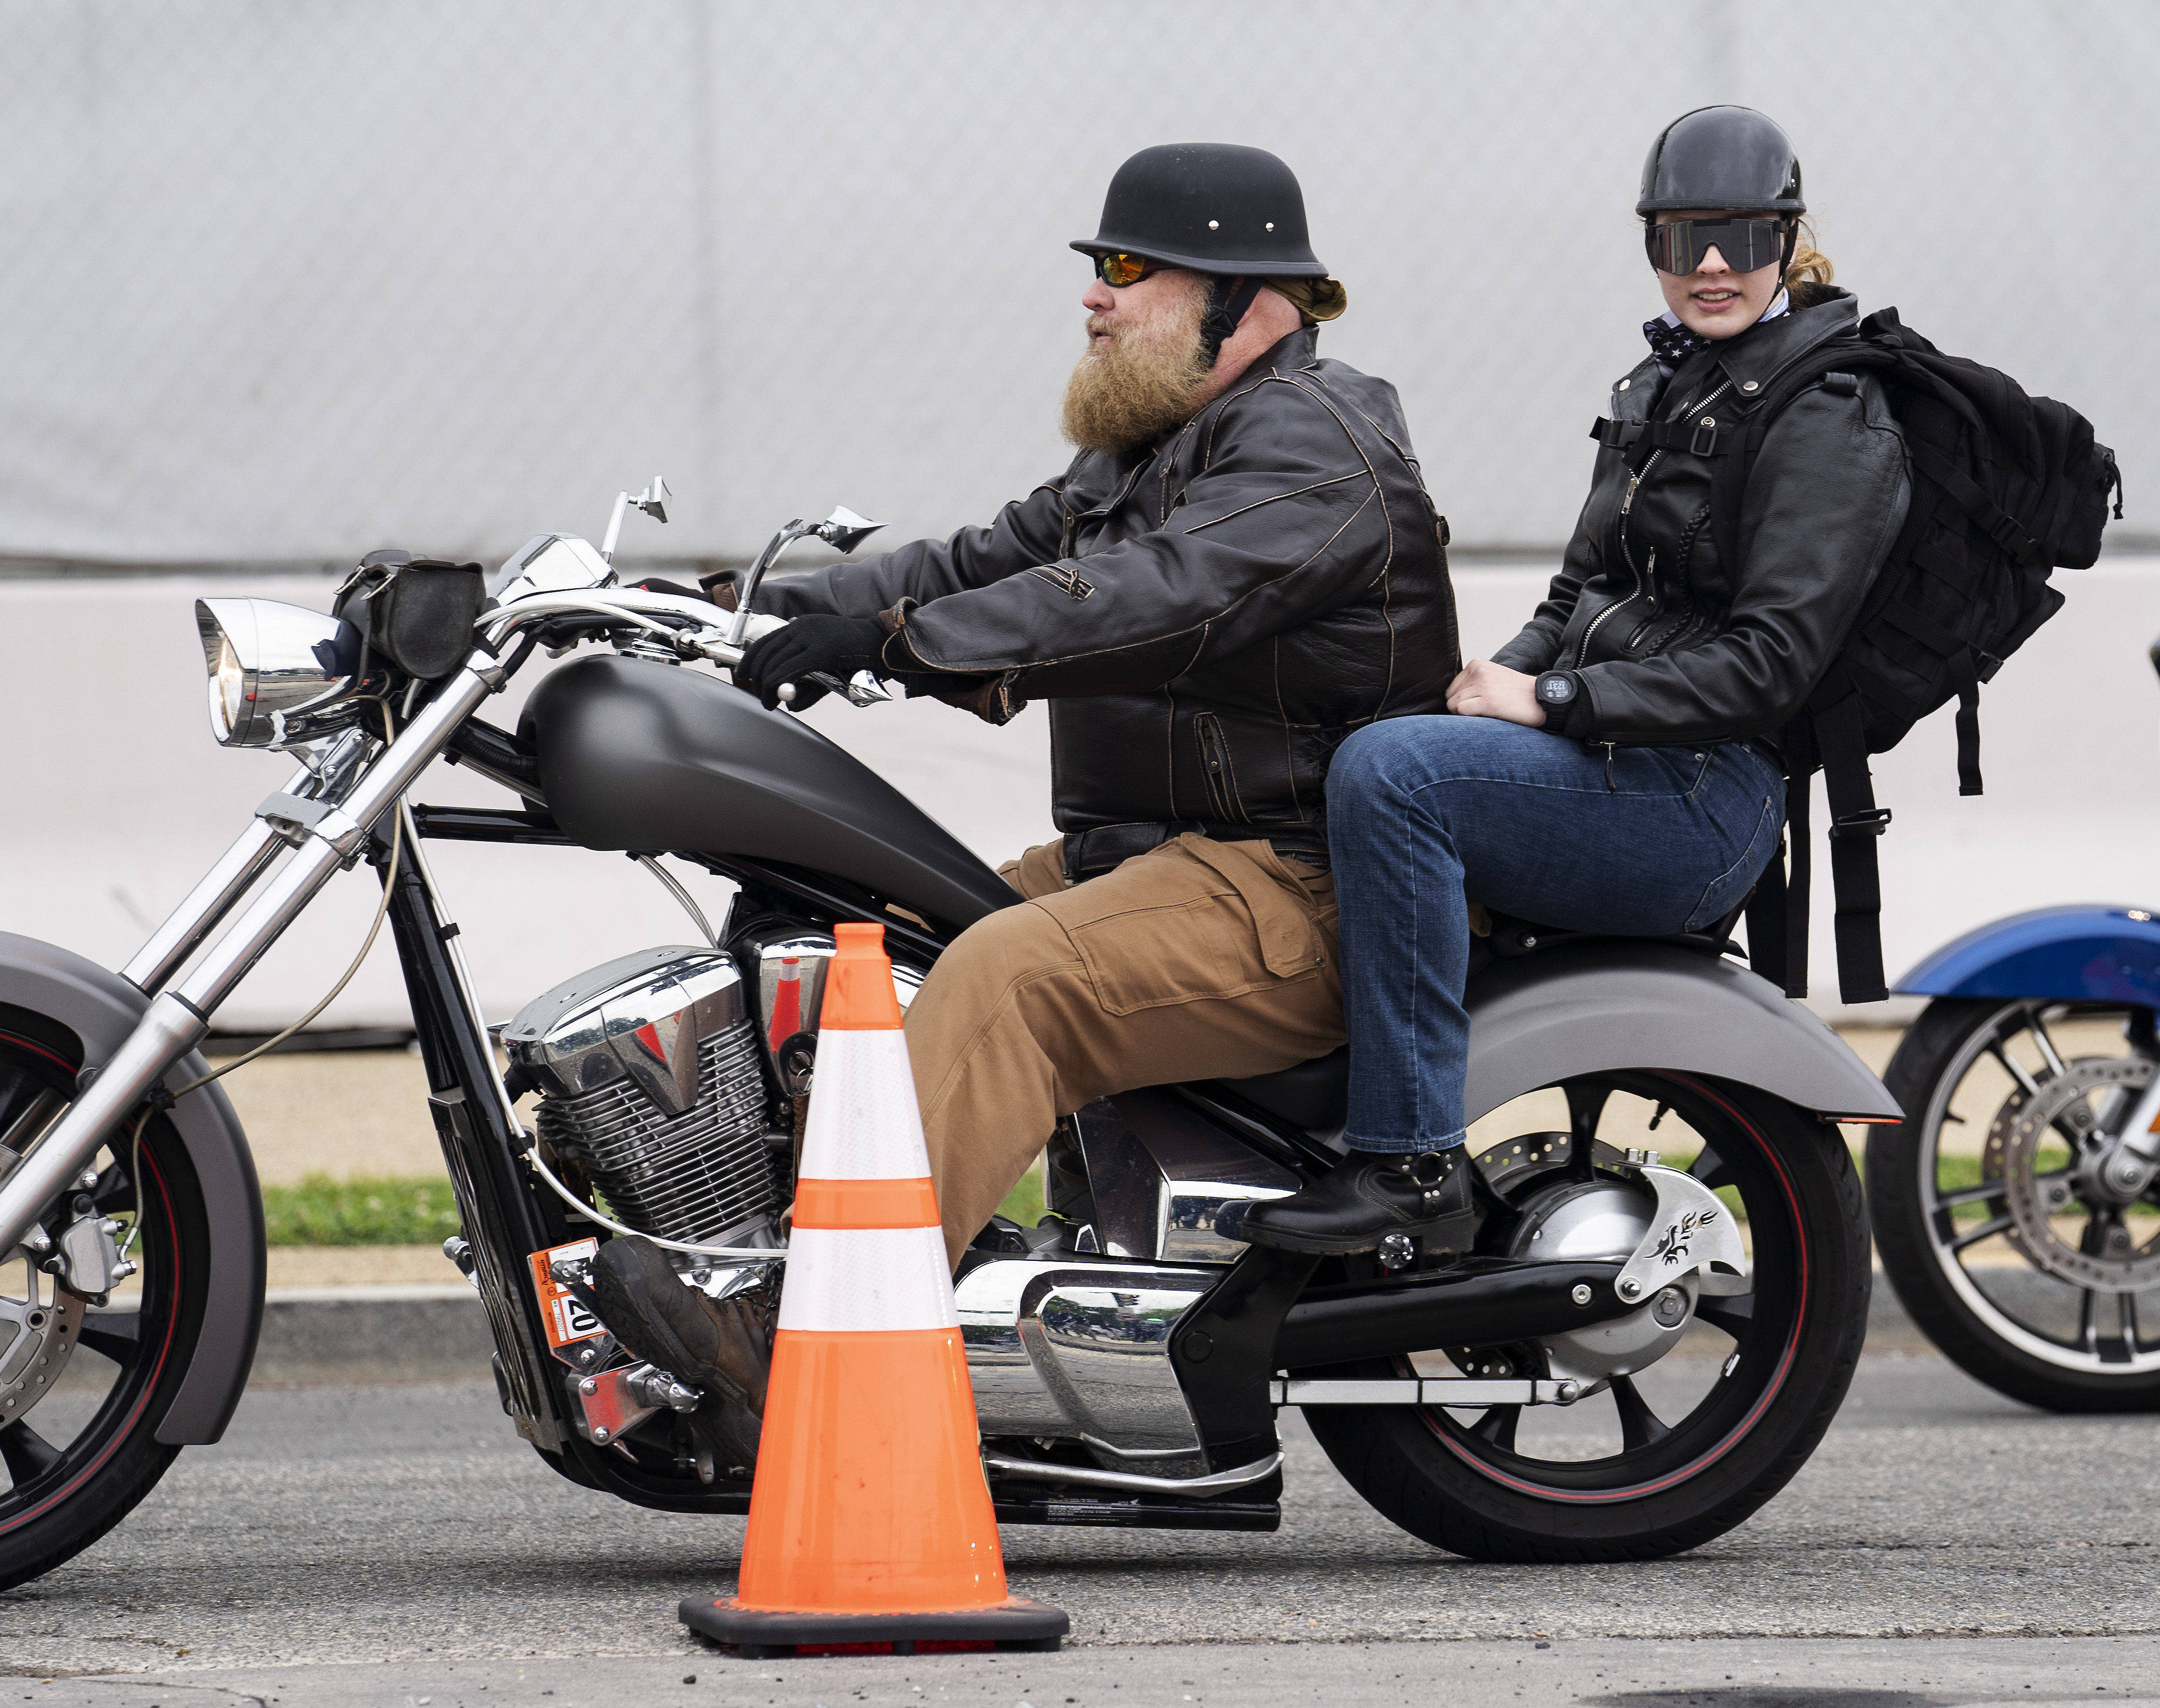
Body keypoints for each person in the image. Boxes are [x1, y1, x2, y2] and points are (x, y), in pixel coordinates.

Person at [588, 143, 1455, 1454]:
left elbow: (1147, 593)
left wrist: (891, 645)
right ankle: (763, 1250)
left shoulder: (1314, 452)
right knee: (858, 926)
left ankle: (821, 1353)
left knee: (1002, 979)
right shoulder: (1152, 450)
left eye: (1124, 269)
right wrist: (716, 608)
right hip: (1148, 865)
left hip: (1291, 885)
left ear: (1241, 296)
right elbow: (974, 560)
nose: (1095, 298)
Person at [1246, 105, 1913, 1259]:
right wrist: (1491, 680)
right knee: (1372, 738)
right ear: (1651, 239)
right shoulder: (1668, 386)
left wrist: (1553, 704)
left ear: (1789, 234)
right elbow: (1578, 592)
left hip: (1702, 801)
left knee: (1394, 777)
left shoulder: (1831, 413)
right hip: (1609, 763)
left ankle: (1406, 1161)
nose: (1711, 263)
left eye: (1743, 235)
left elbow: (1769, 668)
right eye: (1683, 233)